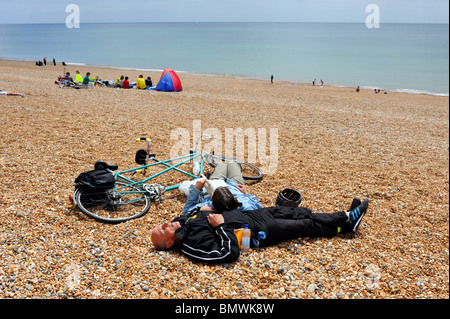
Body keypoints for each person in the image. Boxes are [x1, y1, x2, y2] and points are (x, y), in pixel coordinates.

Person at [151, 195, 369, 264]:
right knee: (305, 226)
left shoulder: (183, 225)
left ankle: (345, 220)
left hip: (250, 215)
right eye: (162, 230)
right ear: (169, 243)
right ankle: (346, 222)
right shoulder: (190, 245)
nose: (164, 224)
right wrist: (221, 227)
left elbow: (194, 214)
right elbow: (229, 253)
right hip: (256, 232)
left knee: (300, 212)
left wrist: (194, 215)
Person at [181, 162, 262, 216]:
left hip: (216, 182)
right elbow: (259, 209)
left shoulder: (207, 207)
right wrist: (246, 193)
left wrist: (197, 188)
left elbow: (186, 213)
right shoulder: (244, 205)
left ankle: (223, 164)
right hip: (235, 185)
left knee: (221, 165)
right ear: (233, 199)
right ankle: (233, 164)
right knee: (233, 164)